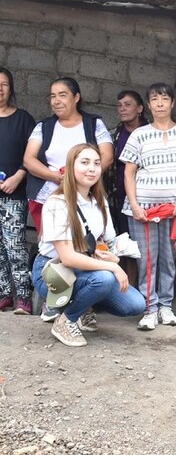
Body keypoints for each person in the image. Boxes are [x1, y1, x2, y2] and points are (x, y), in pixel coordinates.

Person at [32, 144, 144, 347]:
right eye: (84, 162)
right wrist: (113, 267)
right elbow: (67, 257)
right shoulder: (57, 203)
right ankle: (66, 320)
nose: (92, 168)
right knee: (104, 278)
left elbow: (105, 241)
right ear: (70, 167)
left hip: (86, 267)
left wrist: (112, 257)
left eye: (96, 163)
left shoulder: (99, 201)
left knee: (135, 304)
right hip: (54, 271)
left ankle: (85, 306)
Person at [24, 77, 114, 322]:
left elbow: (106, 156)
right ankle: (52, 299)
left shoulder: (94, 124)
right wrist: (57, 177)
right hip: (48, 197)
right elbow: (29, 159)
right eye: (52, 96)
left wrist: (84, 177)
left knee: (85, 248)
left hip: (84, 195)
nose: (56, 100)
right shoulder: (44, 126)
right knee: (55, 250)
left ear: (76, 97)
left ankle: (84, 307)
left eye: (63, 95)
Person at [120, 83, 176, 331]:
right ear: (149, 105)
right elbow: (129, 173)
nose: (160, 103)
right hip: (143, 208)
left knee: (168, 258)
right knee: (147, 260)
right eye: (155, 99)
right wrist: (134, 204)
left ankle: (166, 306)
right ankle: (149, 308)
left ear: (173, 103)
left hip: (175, 208)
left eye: (165, 98)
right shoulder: (139, 135)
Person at [0, 67, 35, 315]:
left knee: (15, 247)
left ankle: (23, 296)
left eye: (4, 84)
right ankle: (4, 294)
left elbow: (33, 155)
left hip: (14, 193)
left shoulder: (23, 118)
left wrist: (18, 176)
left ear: (11, 89)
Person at [109, 90, 148, 235]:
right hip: (118, 193)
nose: (122, 108)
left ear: (139, 108)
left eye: (127, 105)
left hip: (145, 194)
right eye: (119, 105)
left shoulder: (152, 133)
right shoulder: (114, 135)